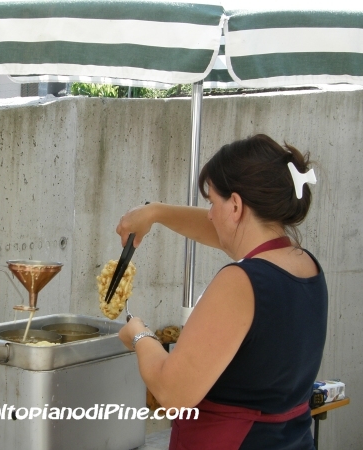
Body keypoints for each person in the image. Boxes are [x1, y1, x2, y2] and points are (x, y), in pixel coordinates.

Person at [117, 134, 327, 450]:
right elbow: (222, 230)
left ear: (236, 205)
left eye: (212, 202)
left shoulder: (241, 282)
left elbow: (173, 394)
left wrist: (139, 335)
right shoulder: (304, 264)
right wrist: (155, 212)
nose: (210, 214)